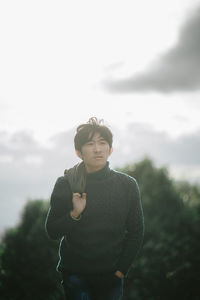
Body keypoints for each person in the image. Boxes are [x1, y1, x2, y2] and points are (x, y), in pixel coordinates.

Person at [45, 117, 144, 300]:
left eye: (102, 143)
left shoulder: (127, 185)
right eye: (90, 144)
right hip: (75, 275)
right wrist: (75, 214)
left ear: (111, 149)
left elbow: (136, 232)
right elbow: (52, 230)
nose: (97, 149)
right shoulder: (66, 184)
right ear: (78, 152)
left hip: (111, 275)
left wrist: (121, 270)